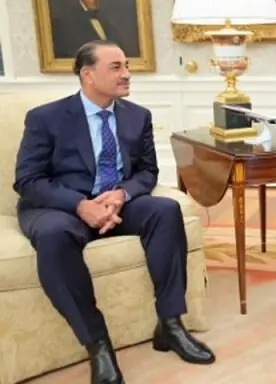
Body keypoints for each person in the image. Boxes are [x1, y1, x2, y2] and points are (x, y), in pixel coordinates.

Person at [13, 40, 215, 384]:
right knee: (53, 235)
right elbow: (28, 180)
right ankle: (98, 346)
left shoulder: (138, 116)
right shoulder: (46, 118)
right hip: (62, 206)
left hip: (116, 202)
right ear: (88, 75)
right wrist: (81, 205)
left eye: (127, 66)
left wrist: (123, 194)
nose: (126, 74)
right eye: (116, 67)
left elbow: (148, 172)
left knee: (165, 211)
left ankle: (170, 324)